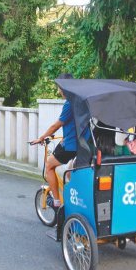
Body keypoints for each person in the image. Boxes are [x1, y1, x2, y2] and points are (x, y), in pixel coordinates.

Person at [31, 73, 87, 210]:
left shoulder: (69, 104)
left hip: (72, 145)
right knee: (69, 172)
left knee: (49, 165)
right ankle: (72, 197)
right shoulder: (83, 100)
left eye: (59, 88)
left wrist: (41, 138)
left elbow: (56, 125)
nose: (58, 91)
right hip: (84, 144)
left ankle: (56, 202)